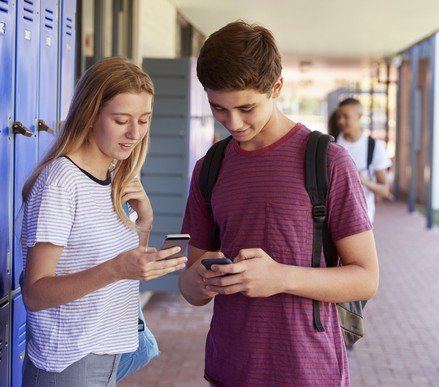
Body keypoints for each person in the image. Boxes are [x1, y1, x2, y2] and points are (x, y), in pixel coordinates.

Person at [178, 21, 379, 386]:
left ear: (277, 87)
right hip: (229, 369)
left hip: (309, 371)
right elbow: (191, 292)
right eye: (219, 108)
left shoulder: (328, 161)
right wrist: (204, 277)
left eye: (247, 108)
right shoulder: (209, 168)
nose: (233, 122)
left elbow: (366, 278)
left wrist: (280, 277)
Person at [20, 56, 187, 386]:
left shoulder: (114, 176)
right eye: (122, 119)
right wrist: (116, 268)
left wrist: (145, 224)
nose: (135, 133)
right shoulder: (61, 183)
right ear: (90, 115)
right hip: (69, 362)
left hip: (111, 354)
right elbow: (35, 293)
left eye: (144, 120)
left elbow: (124, 268)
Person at [335, 97, 391, 222]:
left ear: (359, 116)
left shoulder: (374, 147)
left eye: (346, 116)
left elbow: (385, 190)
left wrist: (364, 181)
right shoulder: (331, 144)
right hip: (334, 217)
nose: (341, 121)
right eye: (339, 117)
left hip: (362, 219)